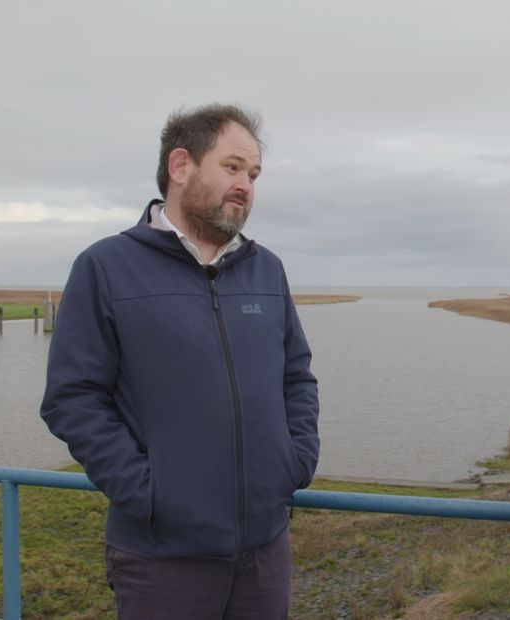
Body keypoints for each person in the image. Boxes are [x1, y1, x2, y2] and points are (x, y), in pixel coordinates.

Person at [40, 103, 319, 619]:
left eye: (254, 174)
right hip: (161, 559)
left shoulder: (266, 270)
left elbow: (296, 378)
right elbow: (71, 399)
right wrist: (148, 494)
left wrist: (296, 462)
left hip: (264, 553)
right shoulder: (106, 266)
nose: (246, 185)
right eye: (232, 167)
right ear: (180, 166)